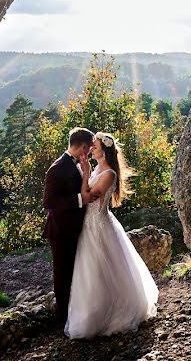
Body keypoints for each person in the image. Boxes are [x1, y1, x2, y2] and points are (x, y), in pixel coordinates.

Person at [65, 131, 159, 338]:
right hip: (88, 225)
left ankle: (114, 313)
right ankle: (94, 312)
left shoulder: (109, 174)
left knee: (103, 268)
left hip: (98, 225)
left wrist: (86, 173)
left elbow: (88, 197)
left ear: (104, 150)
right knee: (91, 271)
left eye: (95, 146)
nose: (91, 149)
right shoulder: (99, 168)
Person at [43, 127, 93, 328]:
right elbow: (49, 201)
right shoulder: (57, 167)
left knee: (74, 273)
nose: (89, 153)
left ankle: (75, 315)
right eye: (88, 149)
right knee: (63, 276)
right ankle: (63, 321)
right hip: (61, 231)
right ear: (82, 147)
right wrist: (82, 199)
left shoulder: (78, 163)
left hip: (74, 229)